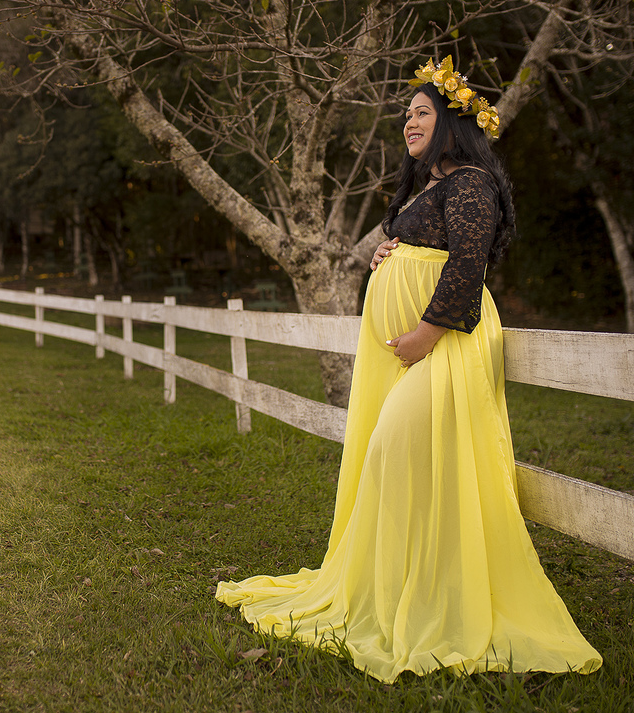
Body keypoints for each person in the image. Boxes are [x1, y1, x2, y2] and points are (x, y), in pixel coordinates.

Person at [215, 56, 602, 682]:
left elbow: (466, 264)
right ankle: (402, 587)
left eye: (421, 112)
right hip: (419, 345)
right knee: (397, 459)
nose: (408, 123)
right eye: (405, 115)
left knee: (395, 447)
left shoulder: (472, 182)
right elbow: (429, 247)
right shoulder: (430, 187)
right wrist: (390, 254)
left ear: (451, 120)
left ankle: (439, 597)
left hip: (450, 341)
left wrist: (426, 330)